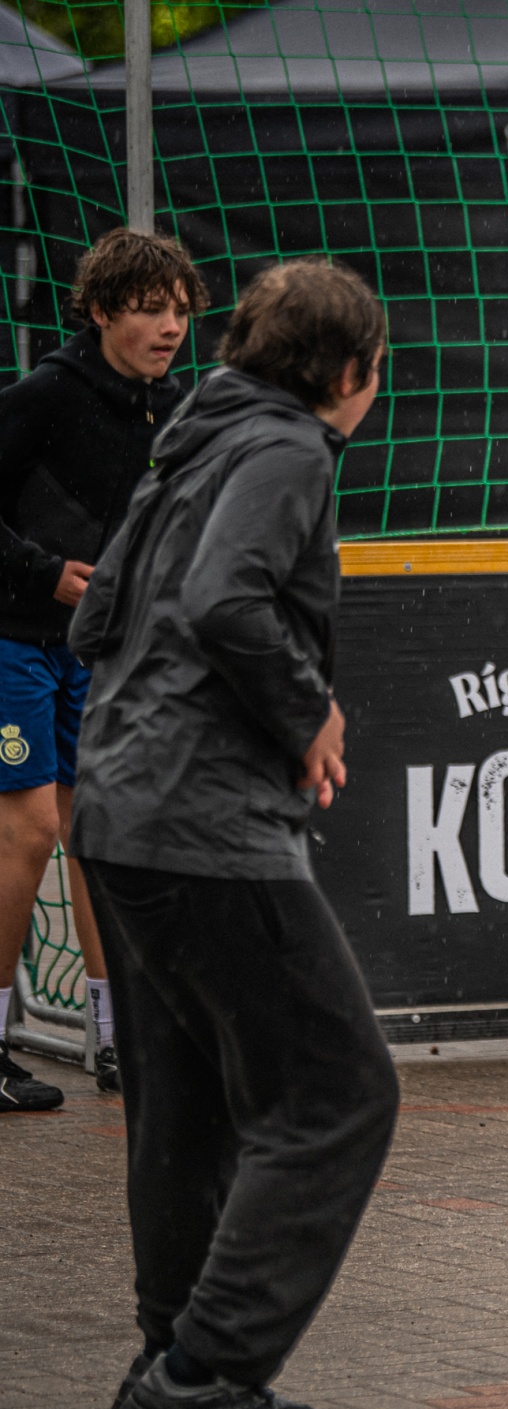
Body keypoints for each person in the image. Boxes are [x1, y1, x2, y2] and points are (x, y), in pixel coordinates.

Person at [73, 257, 397, 1409]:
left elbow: (95, 615)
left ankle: (178, 1357)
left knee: (190, 1103)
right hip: (200, 823)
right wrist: (306, 711)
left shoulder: (192, 440)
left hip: (120, 811)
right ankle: (204, 1368)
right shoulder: (285, 448)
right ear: (350, 371)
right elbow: (224, 600)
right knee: (339, 1095)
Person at [0, 230, 205, 1109]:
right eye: (150, 310)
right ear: (97, 311)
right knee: (30, 833)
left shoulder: (176, 408)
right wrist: (44, 572)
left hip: (98, 651)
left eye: (181, 312)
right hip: (12, 639)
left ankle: (118, 1040)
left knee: (103, 833)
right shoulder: (45, 394)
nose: (170, 327)